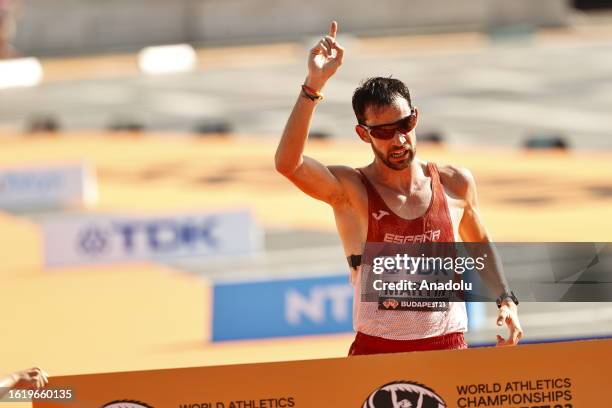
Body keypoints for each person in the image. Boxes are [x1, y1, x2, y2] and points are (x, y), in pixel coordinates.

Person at [275, 21, 523, 355]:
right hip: (377, 352)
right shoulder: (352, 190)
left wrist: (506, 300)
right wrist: (313, 86)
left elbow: (479, 243)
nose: (399, 139)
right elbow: (289, 164)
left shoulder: (454, 183)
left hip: (448, 348)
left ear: (416, 118)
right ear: (364, 134)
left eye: (405, 125)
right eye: (384, 131)